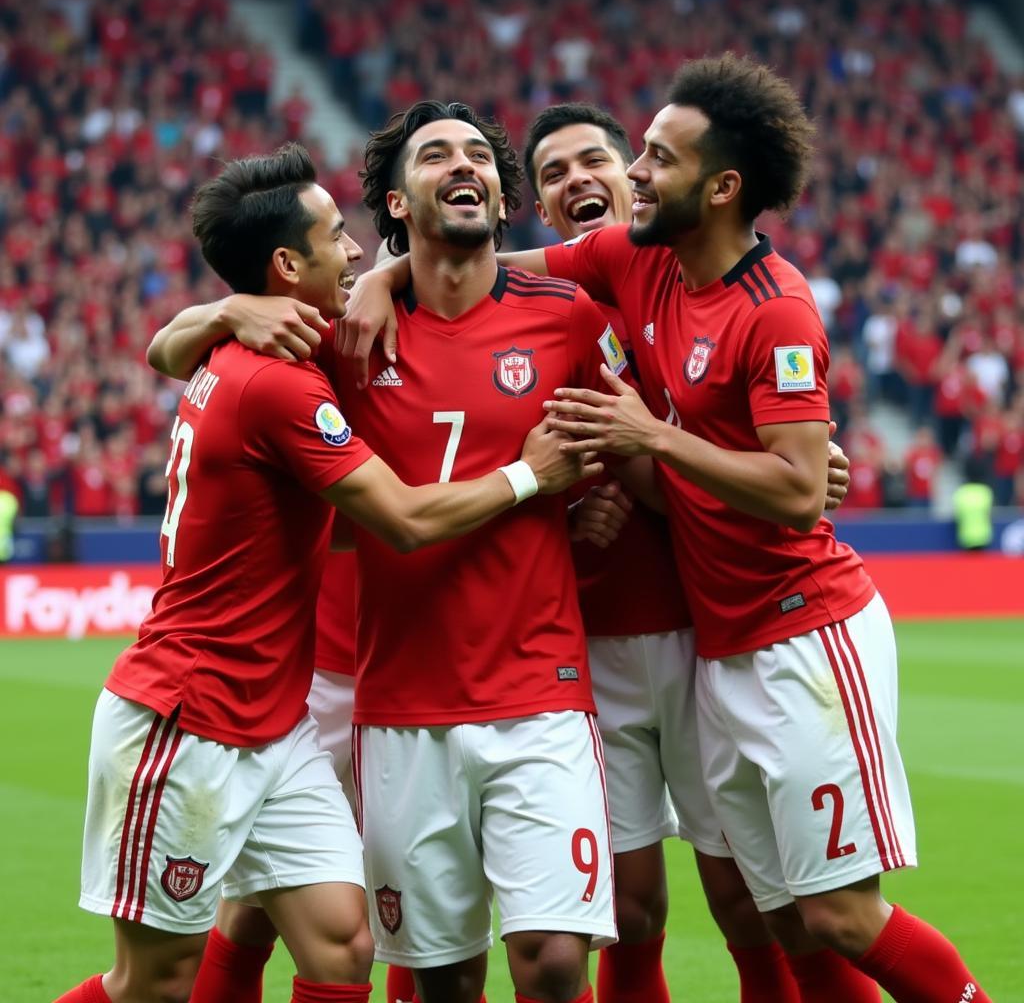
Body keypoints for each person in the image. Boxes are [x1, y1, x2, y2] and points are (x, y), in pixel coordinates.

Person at [351, 57, 992, 1003]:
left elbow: (794, 485)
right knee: (739, 910)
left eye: (638, 158)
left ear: (712, 184)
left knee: (806, 914)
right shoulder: (628, 266)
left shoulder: (768, 307)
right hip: (667, 644)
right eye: (561, 167)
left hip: (775, 626)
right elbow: (486, 263)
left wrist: (687, 450)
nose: (622, 178)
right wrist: (384, 273)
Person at [56, 142, 595, 1003]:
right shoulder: (280, 383)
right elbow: (406, 520)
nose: (354, 254)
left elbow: (168, 349)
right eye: (335, 237)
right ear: (285, 264)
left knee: (344, 946)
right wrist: (535, 477)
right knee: (152, 983)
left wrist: (222, 311)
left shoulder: (263, 350)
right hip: (191, 713)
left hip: (277, 723)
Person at [523, 101, 847, 1003]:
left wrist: (801, 465)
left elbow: (753, 440)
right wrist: (575, 504)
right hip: (589, 646)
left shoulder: (670, 272)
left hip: (709, 631)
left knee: (754, 902)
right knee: (625, 908)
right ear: (542, 210)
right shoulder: (527, 317)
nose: (582, 179)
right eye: (553, 174)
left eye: (598, 158)